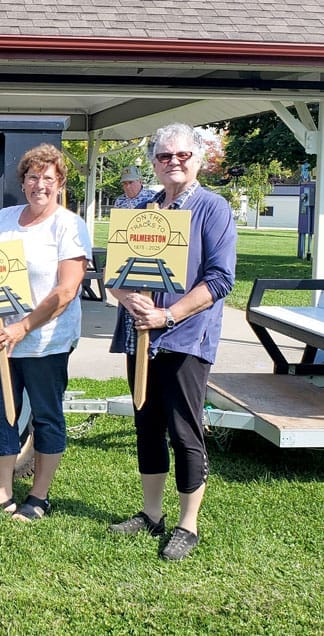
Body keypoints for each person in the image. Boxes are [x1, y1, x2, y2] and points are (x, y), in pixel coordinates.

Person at [108, 123, 237, 561]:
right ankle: (151, 514)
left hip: (186, 338)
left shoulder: (212, 208)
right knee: (147, 426)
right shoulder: (142, 207)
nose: (174, 162)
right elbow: (117, 272)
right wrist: (130, 302)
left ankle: (187, 525)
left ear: (198, 159)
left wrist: (168, 314)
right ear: (154, 163)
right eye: (165, 156)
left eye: (182, 155)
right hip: (139, 337)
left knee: (185, 431)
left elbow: (219, 280)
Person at [0, 143, 91, 521]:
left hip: (44, 340)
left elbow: (67, 289)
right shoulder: (5, 217)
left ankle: (38, 497)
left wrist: (25, 326)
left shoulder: (69, 225)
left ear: (60, 184)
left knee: (46, 415)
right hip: (1, 337)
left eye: (48, 179)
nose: (40, 184)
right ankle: (1, 493)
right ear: (23, 182)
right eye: (33, 177)